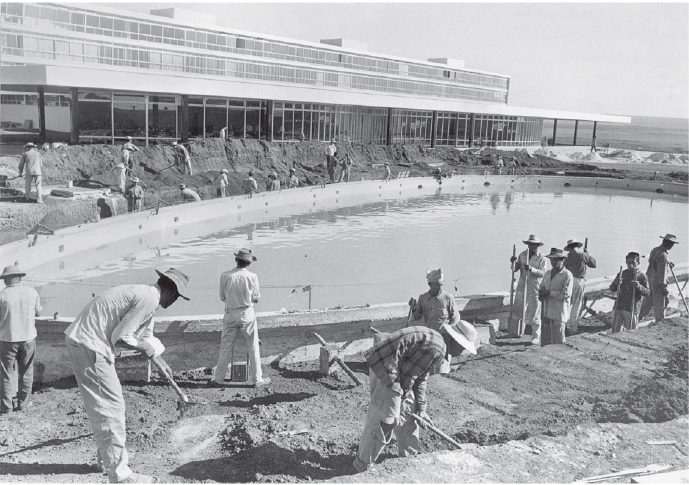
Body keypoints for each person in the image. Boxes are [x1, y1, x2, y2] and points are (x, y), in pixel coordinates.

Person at [64, 268, 189, 484]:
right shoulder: (149, 299)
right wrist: (142, 347)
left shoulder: (147, 296)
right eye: (177, 297)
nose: (175, 301)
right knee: (110, 406)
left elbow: (145, 336)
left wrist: (160, 359)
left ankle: (106, 461)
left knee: (108, 405)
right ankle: (119, 475)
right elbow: (121, 337)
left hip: (86, 341)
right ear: (170, 291)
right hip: (91, 344)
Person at [352, 326, 446, 473]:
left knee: (409, 409)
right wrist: (401, 402)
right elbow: (409, 376)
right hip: (387, 368)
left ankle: (408, 457)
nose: (461, 352)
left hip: (395, 367)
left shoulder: (436, 344)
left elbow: (421, 377)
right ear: (456, 343)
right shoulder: (437, 349)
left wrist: (422, 409)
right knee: (384, 420)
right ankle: (362, 465)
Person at [211, 248, 269, 388]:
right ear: (248, 263)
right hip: (247, 313)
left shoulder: (225, 275)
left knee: (225, 347)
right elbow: (256, 299)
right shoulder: (253, 277)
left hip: (230, 313)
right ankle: (257, 380)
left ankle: (218, 379)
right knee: (253, 347)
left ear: (236, 260)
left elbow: (222, 297)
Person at [409, 268, 478, 372]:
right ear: (430, 284)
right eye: (436, 285)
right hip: (429, 336)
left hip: (444, 337)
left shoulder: (447, 298)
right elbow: (417, 316)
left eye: (441, 285)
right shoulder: (423, 298)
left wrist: (450, 329)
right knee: (429, 365)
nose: (439, 288)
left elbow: (456, 316)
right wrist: (414, 308)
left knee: (442, 365)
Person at [0, 265, 41, 415]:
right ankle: (23, 404)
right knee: (26, 372)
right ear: (20, 277)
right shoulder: (32, 292)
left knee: (6, 373)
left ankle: (6, 407)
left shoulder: (2, 295)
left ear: (7, 280)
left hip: (7, 339)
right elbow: (37, 311)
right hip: (28, 338)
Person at [510, 235, 547, 345]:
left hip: (534, 287)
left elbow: (543, 273)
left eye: (534, 244)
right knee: (518, 309)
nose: (532, 246)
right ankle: (518, 331)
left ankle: (536, 336)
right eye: (530, 244)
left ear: (537, 245)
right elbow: (515, 269)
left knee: (534, 312)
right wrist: (512, 262)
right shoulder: (522, 254)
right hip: (522, 286)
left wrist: (531, 269)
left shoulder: (542, 258)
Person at [639, 234, 679, 324]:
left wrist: (667, 264)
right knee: (661, 302)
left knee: (648, 301)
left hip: (649, 280)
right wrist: (664, 287)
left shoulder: (655, 250)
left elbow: (654, 263)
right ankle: (659, 321)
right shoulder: (664, 255)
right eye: (671, 244)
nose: (672, 246)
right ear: (668, 244)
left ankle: (639, 317)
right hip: (658, 282)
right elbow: (661, 273)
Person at [538, 248, 573, 345]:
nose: (553, 262)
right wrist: (540, 293)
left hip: (559, 311)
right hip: (547, 309)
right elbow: (541, 286)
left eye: (556, 260)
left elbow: (566, 294)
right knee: (546, 338)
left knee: (558, 338)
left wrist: (549, 293)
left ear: (562, 260)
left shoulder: (567, 275)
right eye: (552, 260)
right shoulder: (548, 273)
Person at [609, 252, 650, 333]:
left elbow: (647, 293)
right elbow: (612, 288)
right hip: (619, 306)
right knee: (615, 331)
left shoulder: (642, 276)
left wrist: (639, 286)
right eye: (629, 263)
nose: (631, 265)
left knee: (632, 332)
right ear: (626, 263)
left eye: (633, 263)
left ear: (638, 263)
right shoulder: (622, 274)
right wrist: (616, 283)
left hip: (632, 308)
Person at [563, 238, 597, 334]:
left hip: (568, 281)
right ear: (577, 246)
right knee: (576, 306)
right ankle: (573, 329)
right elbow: (594, 264)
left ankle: (563, 325)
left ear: (569, 248)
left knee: (566, 304)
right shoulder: (583, 255)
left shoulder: (567, 257)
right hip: (578, 281)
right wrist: (588, 254)